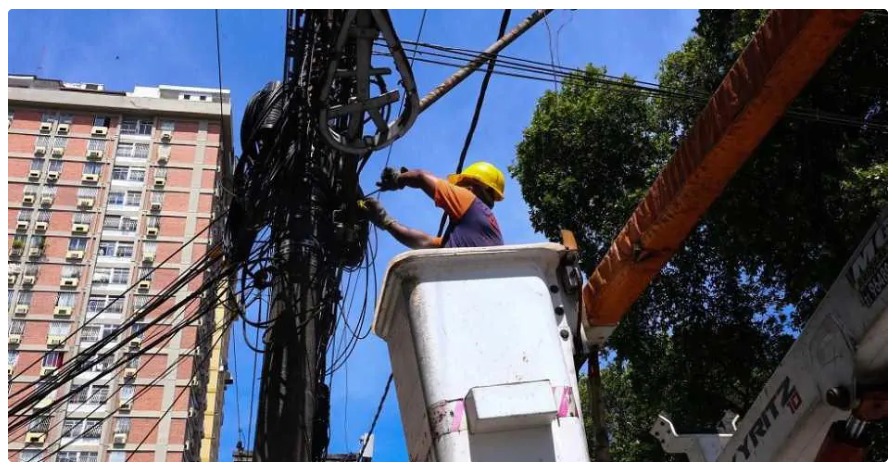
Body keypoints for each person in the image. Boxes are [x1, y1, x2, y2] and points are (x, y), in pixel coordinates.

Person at [361, 161, 505, 249]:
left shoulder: (470, 201)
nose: (457, 189)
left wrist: (398, 179)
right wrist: (385, 220)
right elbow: (424, 242)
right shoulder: (485, 231)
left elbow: (421, 177)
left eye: (460, 185)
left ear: (472, 187)